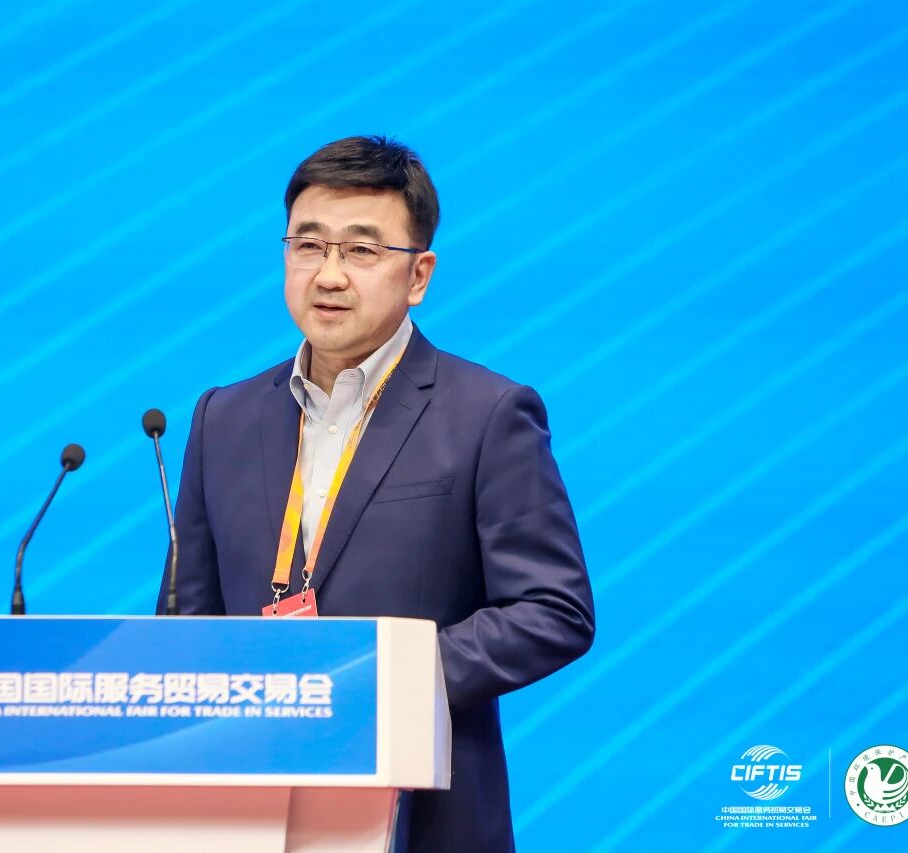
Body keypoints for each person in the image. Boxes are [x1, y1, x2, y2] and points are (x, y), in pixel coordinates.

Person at [157, 135, 595, 852]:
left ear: (419, 275)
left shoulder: (487, 413)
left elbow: (555, 610)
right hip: (246, 808)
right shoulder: (222, 418)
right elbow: (185, 622)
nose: (328, 275)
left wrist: (381, 679)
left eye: (361, 250)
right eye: (308, 245)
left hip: (420, 815)